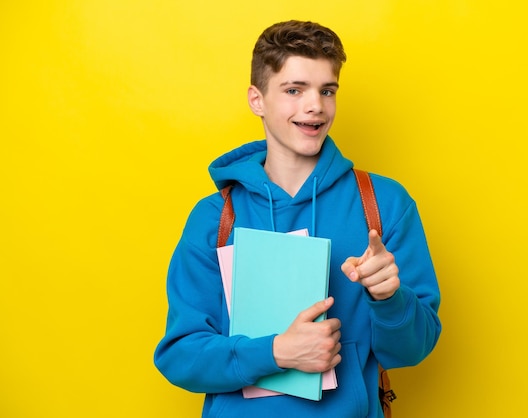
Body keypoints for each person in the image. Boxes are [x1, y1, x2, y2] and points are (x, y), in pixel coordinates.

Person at [154, 20, 441, 417]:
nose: (315, 106)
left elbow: (413, 350)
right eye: (294, 90)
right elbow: (180, 356)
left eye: (327, 90)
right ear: (257, 100)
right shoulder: (214, 218)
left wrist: (390, 298)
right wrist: (276, 352)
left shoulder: (384, 203)